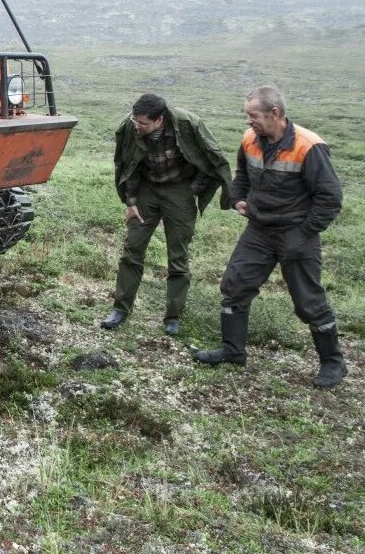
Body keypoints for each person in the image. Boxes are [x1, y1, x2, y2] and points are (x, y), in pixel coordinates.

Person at [195, 86, 346, 389]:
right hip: (258, 231)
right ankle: (233, 351)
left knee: (309, 302)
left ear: (274, 113)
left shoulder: (309, 146)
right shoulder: (250, 139)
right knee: (235, 286)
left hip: (297, 234)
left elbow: (330, 198)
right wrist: (238, 197)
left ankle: (333, 362)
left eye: (253, 115)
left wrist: (303, 233)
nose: (248, 121)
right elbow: (241, 171)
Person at [103, 94, 233, 335]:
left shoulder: (188, 125)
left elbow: (210, 159)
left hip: (179, 190)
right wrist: (131, 202)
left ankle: (173, 317)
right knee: (132, 249)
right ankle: (120, 309)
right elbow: (127, 165)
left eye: (143, 123)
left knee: (178, 256)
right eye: (135, 121)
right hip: (146, 190)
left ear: (159, 120)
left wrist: (191, 191)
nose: (137, 126)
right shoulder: (131, 127)